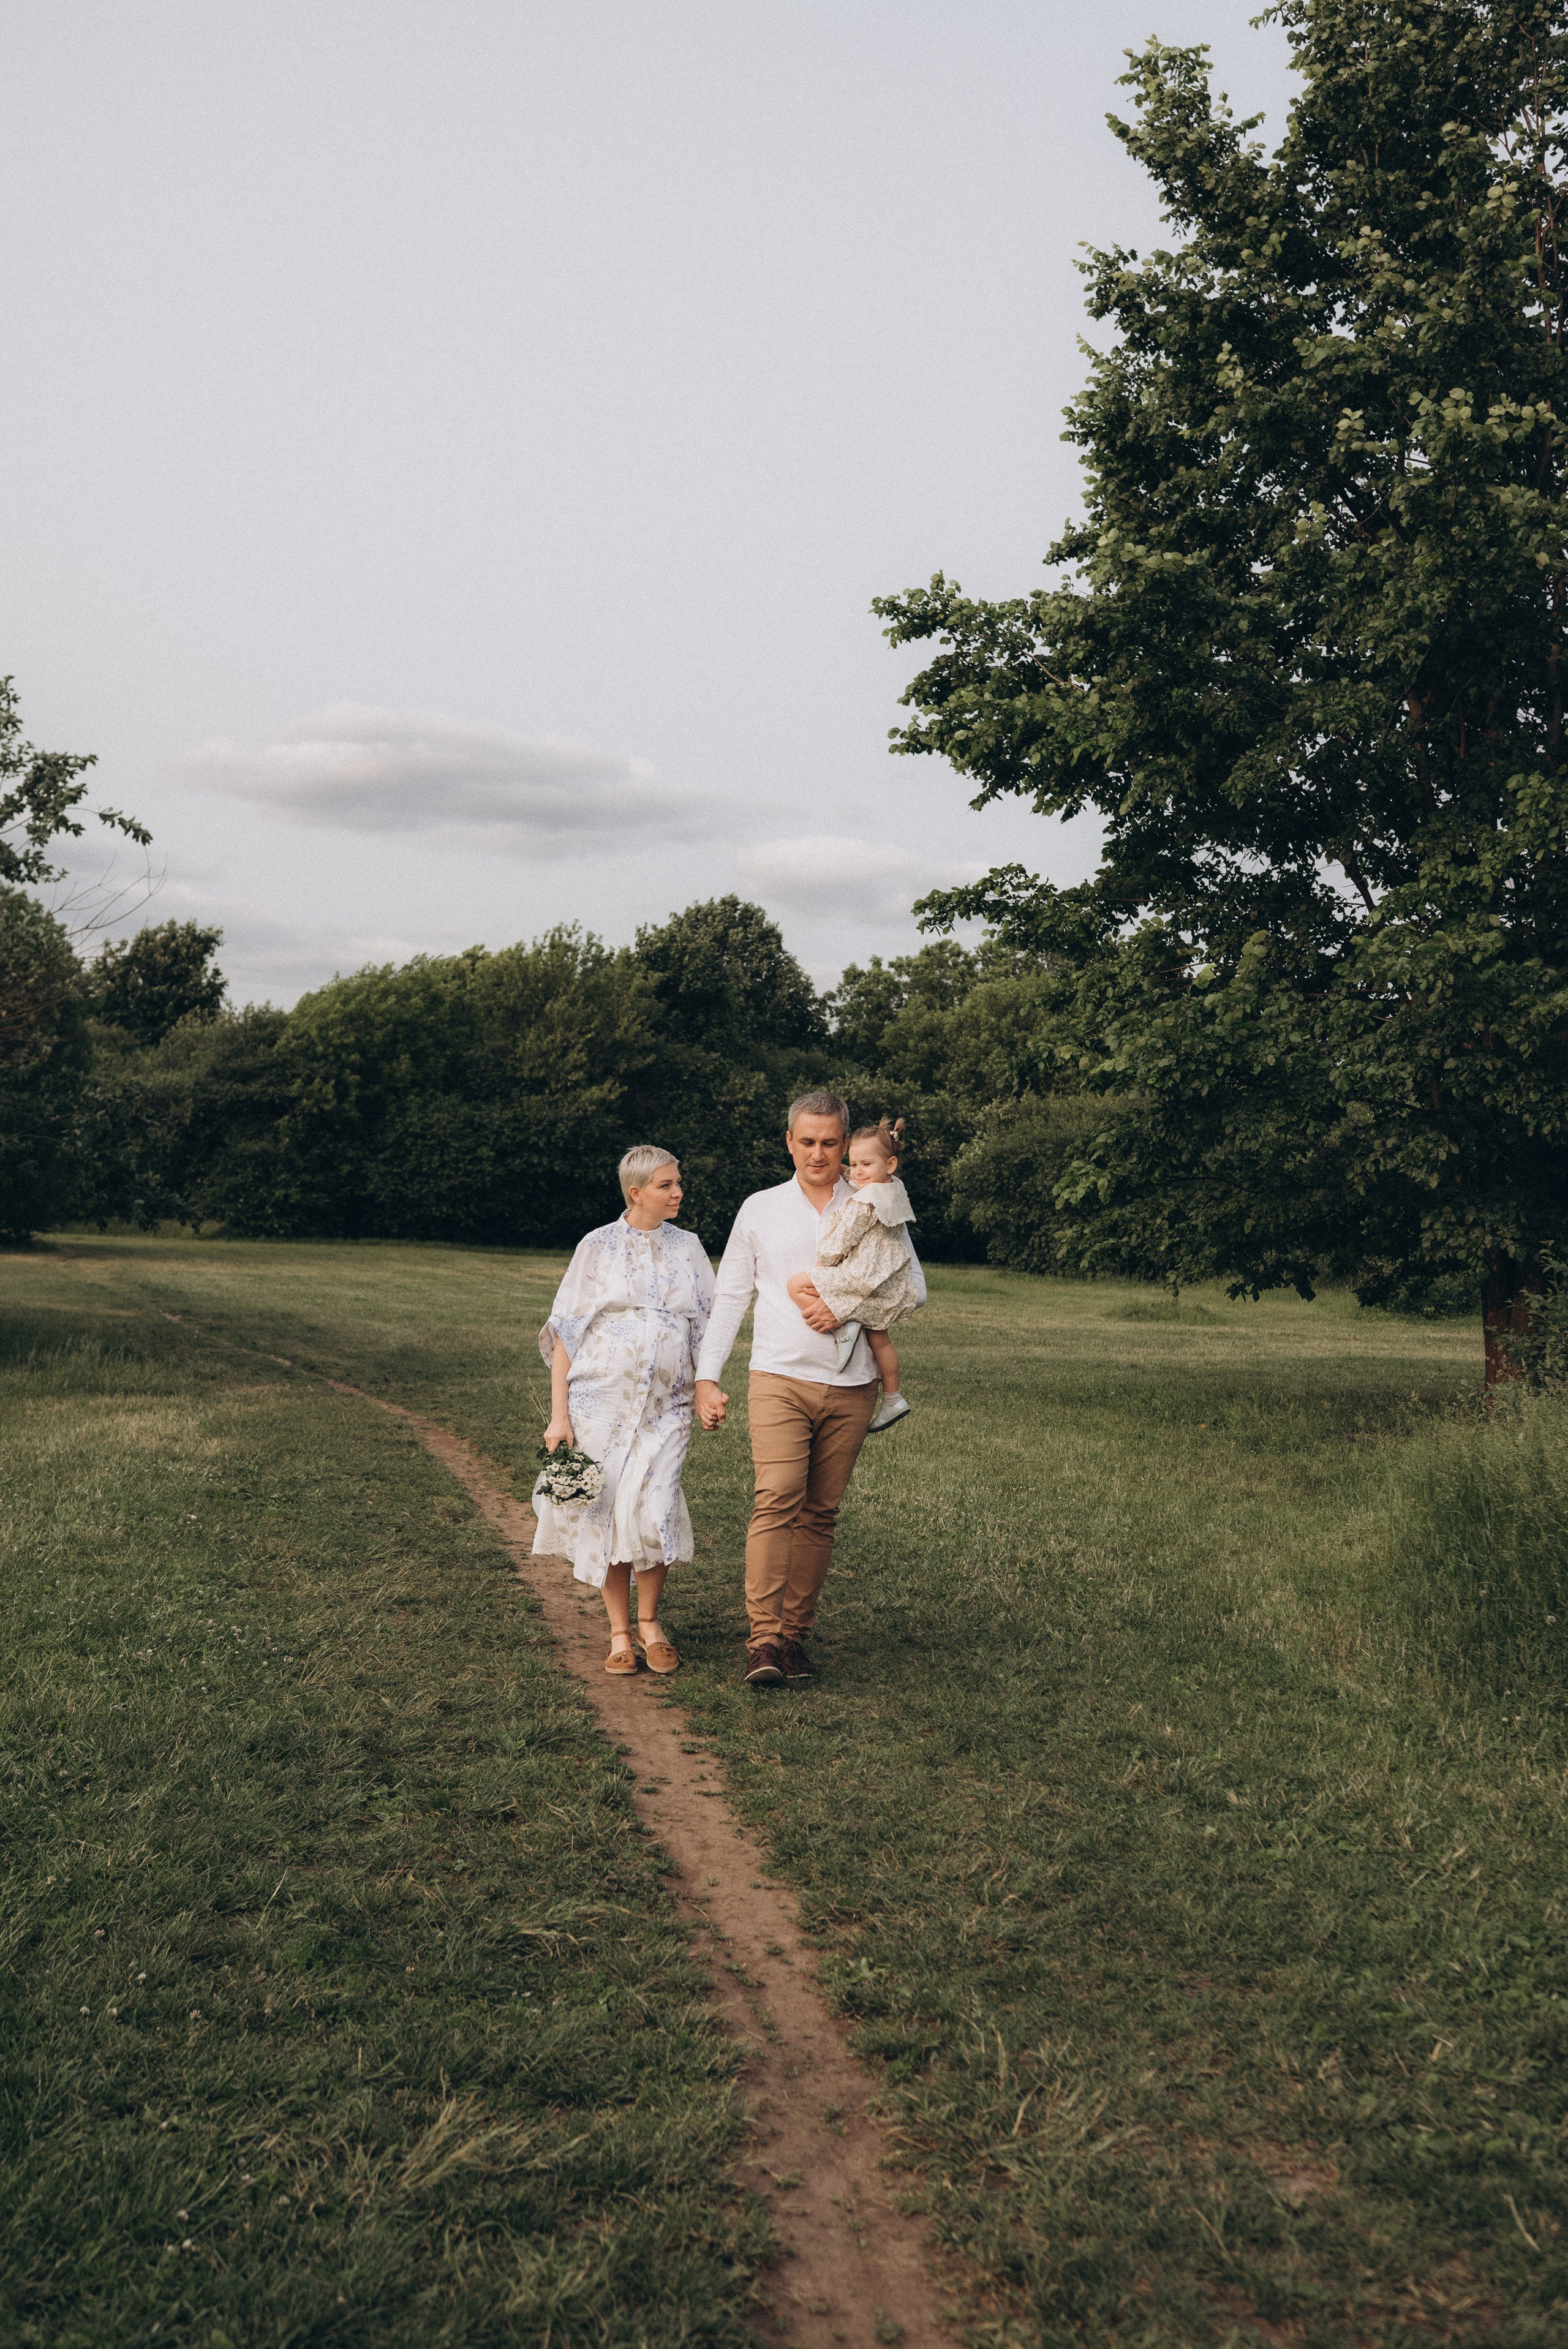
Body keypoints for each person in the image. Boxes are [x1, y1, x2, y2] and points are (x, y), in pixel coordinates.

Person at [694, 1090, 927, 1687]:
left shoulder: (876, 1203)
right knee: (776, 1498)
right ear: (789, 1142)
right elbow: (730, 1296)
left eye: (830, 1143)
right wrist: (707, 1375)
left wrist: (842, 1306)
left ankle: (795, 1639)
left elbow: (910, 1286)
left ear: (847, 1144)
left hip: (852, 1386)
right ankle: (762, 1641)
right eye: (807, 1142)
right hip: (779, 1377)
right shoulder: (760, 1208)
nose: (819, 1153)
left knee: (820, 1513)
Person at [535, 1146, 714, 1676]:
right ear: (636, 1192)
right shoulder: (598, 1246)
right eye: (666, 1184)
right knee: (611, 1511)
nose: (678, 1191)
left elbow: (708, 1325)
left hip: (667, 1405)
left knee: (655, 1508)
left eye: (678, 1182)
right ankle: (619, 1633)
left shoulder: (690, 1247)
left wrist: (708, 1387)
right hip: (600, 1404)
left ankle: (652, 1623)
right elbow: (566, 1329)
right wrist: (559, 1415)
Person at [785, 1116, 919, 1432]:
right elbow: (864, 1174)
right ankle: (893, 1398)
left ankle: (842, 1328)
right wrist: (852, 1170)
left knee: (796, 1284)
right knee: (880, 1338)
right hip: (888, 1276)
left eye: (865, 1165)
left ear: (890, 1163)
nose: (856, 1172)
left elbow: (839, 1243)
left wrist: (825, 1258)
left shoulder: (864, 1202)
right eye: (853, 1164)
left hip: (860, 1274)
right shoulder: (893, 1187)